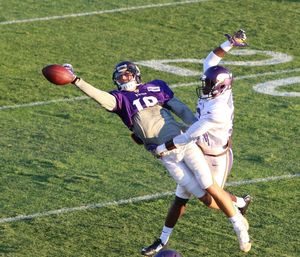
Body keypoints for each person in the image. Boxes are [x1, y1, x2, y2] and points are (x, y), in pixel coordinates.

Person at [62, 36, 250, 253]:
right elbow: (99, 96)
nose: (124, 78)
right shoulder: (119, 99)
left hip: (193, 145)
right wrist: (76, 80)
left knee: (209, 187)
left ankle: (239, 227)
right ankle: (232, 208)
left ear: (136, 74)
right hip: (170, 154)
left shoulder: (162, 89)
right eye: (120, 76)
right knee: (199, 199)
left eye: (127, 74)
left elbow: (183, 113)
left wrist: (182, 137)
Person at [141, 30, 251, 256]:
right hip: (198, 147)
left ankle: (239, 210)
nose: (205, 87)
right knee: (181, 195)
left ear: (220, 87)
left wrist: (163, 147)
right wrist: (229, 44)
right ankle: (162, 239)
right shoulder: (215, 90)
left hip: (215, 155)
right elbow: (210, 61)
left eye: (209, 85)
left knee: (211, 199)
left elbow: (188, 135)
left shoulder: (218, 110)